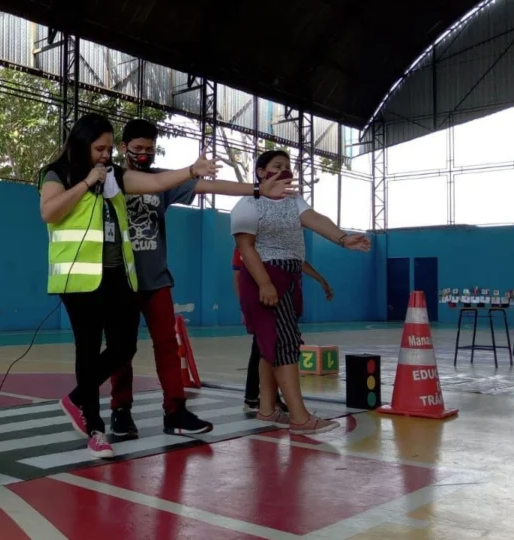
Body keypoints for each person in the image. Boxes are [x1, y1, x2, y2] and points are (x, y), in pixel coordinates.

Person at [39, 112, 220, 458]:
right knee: (88, 351)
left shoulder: (115, 177)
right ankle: (95, 428)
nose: (106, 155)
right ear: (82, 144)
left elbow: (155, 184)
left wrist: (190, 172)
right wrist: (85, 182)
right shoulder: (57, 173)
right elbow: (49, 212)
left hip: (118, 278)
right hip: (78, 280)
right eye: (100, 148)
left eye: (109, 149)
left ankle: (77, 398)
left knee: (124, 346)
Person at [107, 119, 296, 437]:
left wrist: (257, 190)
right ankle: (120, 410)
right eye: (137, 149)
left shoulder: (162, 180)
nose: (144, 155)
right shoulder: (110, 178)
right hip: (121, 280)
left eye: (150, 150)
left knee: (167, 346)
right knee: (120, 349)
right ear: (123, 148)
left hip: (156, 279)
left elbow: (208, 186)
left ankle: (175, 411)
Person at [231, 149, 370, 435]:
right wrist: (265, 284)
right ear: (260, 173)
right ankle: (299, 416)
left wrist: (343, 239)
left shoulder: (293, 201)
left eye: (287, 167)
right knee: (283, 344)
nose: (284, 171)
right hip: (264, 275)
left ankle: (267, 409)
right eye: (276, 166)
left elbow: (316, 219)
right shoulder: (247, 204)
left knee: (272, 345)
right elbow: (246, 248)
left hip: (290, 275)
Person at [232, 247, 333, 412]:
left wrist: (320, 279)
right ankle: (256, 399)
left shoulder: (281, 242)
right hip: (264, 302)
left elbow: (298, 262)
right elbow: (237, 275)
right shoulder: (248, 242)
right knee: (263, 348)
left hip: (284, 301)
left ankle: (267, 400)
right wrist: (244, 307)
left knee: (271, 349)